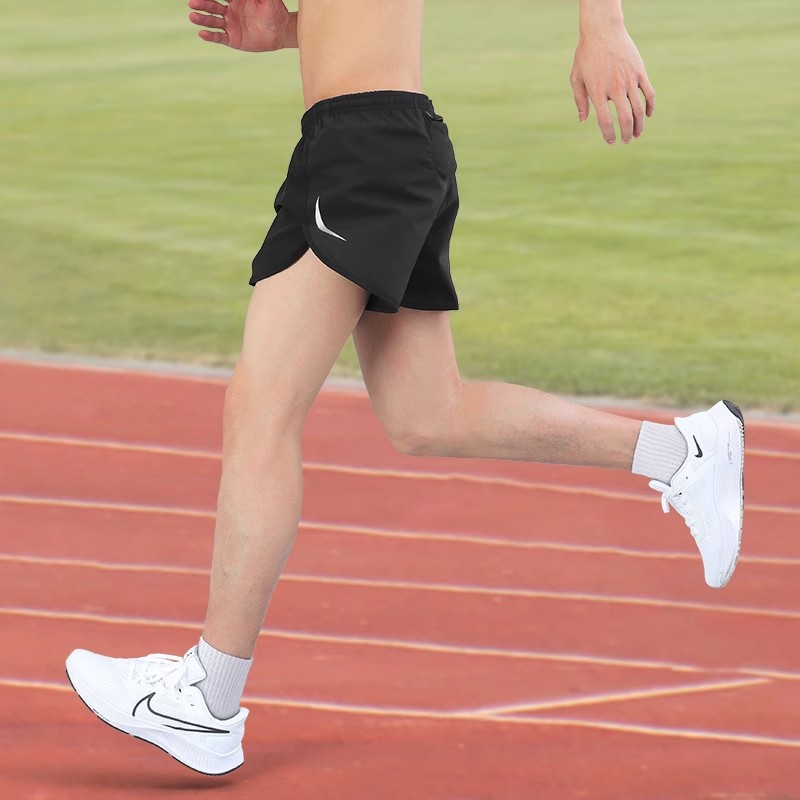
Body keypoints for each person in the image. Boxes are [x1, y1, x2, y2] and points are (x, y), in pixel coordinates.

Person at [65, 0, 745, 776]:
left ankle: (207, 700)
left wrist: (604, 25)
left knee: (262, 409)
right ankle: (685, 452)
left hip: (367, 146)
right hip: (363, 142)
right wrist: (292, 32)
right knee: (430, 414)